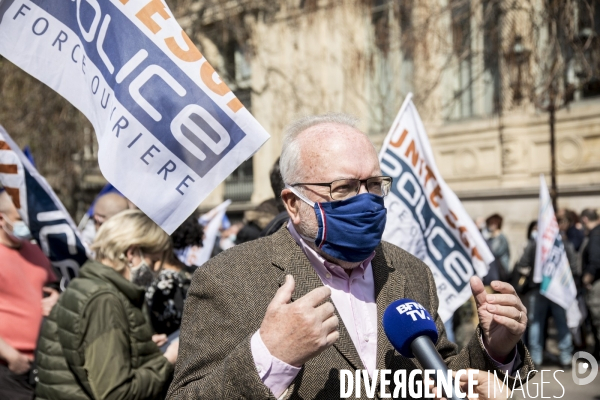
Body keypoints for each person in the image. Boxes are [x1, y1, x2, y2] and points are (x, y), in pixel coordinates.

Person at [167, 114, 534, 399]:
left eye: (374, 185)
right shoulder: (227, 279)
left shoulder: (410, 270)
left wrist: (495, 349)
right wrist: (269, 355)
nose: (367, 201)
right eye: (343, 188)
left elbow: (439, 374)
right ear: (294, 204)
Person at [35, 210, 178, 400]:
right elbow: (115, 393)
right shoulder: (104, 299)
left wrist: (135, 346)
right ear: (132, 253)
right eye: (154, 261)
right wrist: (168, 360)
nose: (158, 269)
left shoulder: (90, 284)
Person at [0, 188, 59, 400]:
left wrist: (56, 300)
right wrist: (9, 355)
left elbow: (51, 288)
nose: (25, 224)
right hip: (8, 367)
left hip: (41, 365)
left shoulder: (37, 251)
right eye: (19, 218)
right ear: (1, 218)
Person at [581, 208, 600, 359]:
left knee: (597, 320)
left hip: (596, 285)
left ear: (585, 219)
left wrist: (587, 279)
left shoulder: (595, 235)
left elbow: (595, 261)